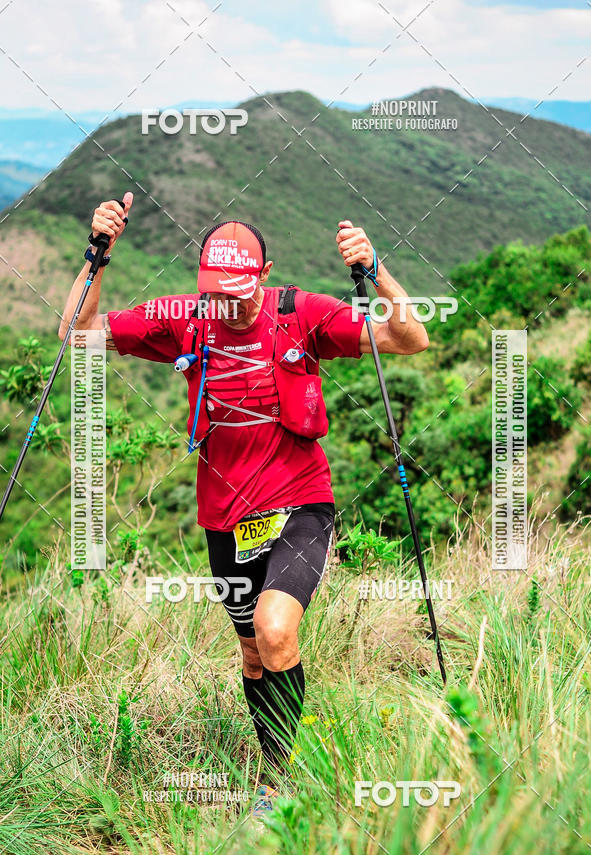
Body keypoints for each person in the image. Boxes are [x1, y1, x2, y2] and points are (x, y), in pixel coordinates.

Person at [59, 192, 429, 806]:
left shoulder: (303, 314)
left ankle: (282, 785)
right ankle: (272, 761)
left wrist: (375, 271)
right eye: (216, 291)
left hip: (300, 503)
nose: (228, 303)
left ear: (265, 275)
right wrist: (96, 255)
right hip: (225, 518)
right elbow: (79, 333)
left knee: (276, 628)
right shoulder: (184, 318)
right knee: (254, 654)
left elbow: (409, 338)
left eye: (239, 289)